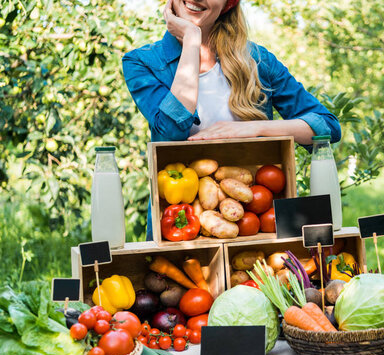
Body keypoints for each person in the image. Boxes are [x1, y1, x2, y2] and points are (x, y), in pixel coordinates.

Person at [122, 0, 341, 240]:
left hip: (255, 224)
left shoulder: (258, 60)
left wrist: (255, 128)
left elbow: (327, 126)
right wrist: (191, 41)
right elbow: (171, 132)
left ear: (227, 5)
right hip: (180, 226)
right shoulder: (141, 62)